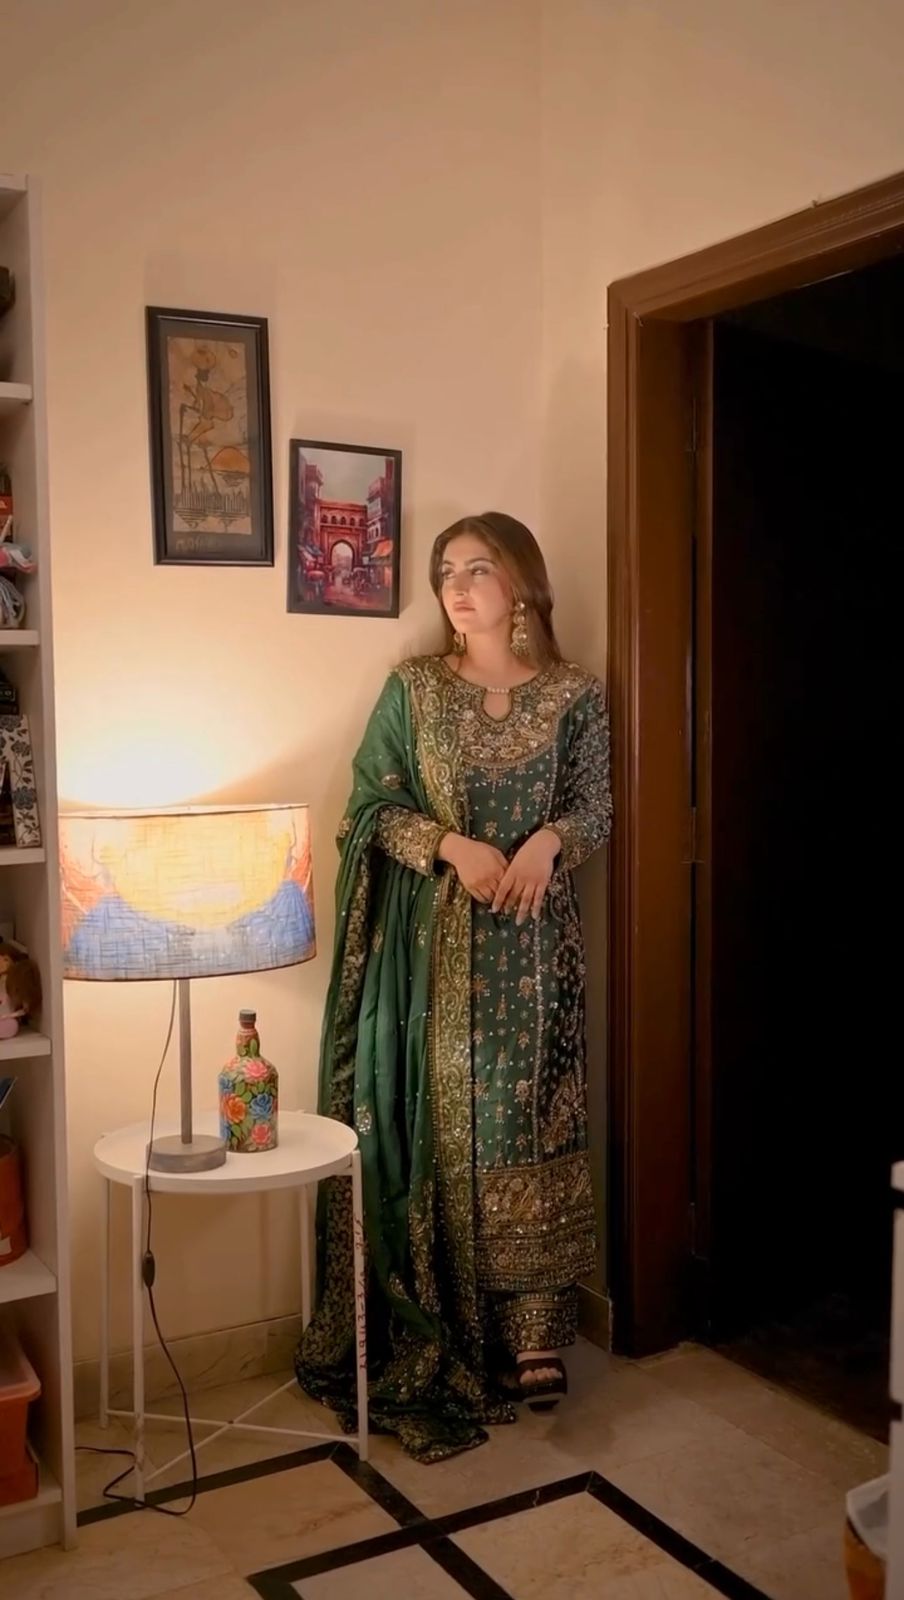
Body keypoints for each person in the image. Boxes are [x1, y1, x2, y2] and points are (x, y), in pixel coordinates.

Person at [295, 511, 612, 1462]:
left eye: (478, 569)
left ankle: (537, 1329)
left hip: (539, 954)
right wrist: (450, 845)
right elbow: (369, 810)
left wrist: (550, 841)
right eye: (446, 572)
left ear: (522, 583)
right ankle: (459, 1326)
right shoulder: (416, 689)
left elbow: (595, 804)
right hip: (436, 957)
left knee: (534, 1122)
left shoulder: (575, 695)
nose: (457, 587)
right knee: (449, 1126)